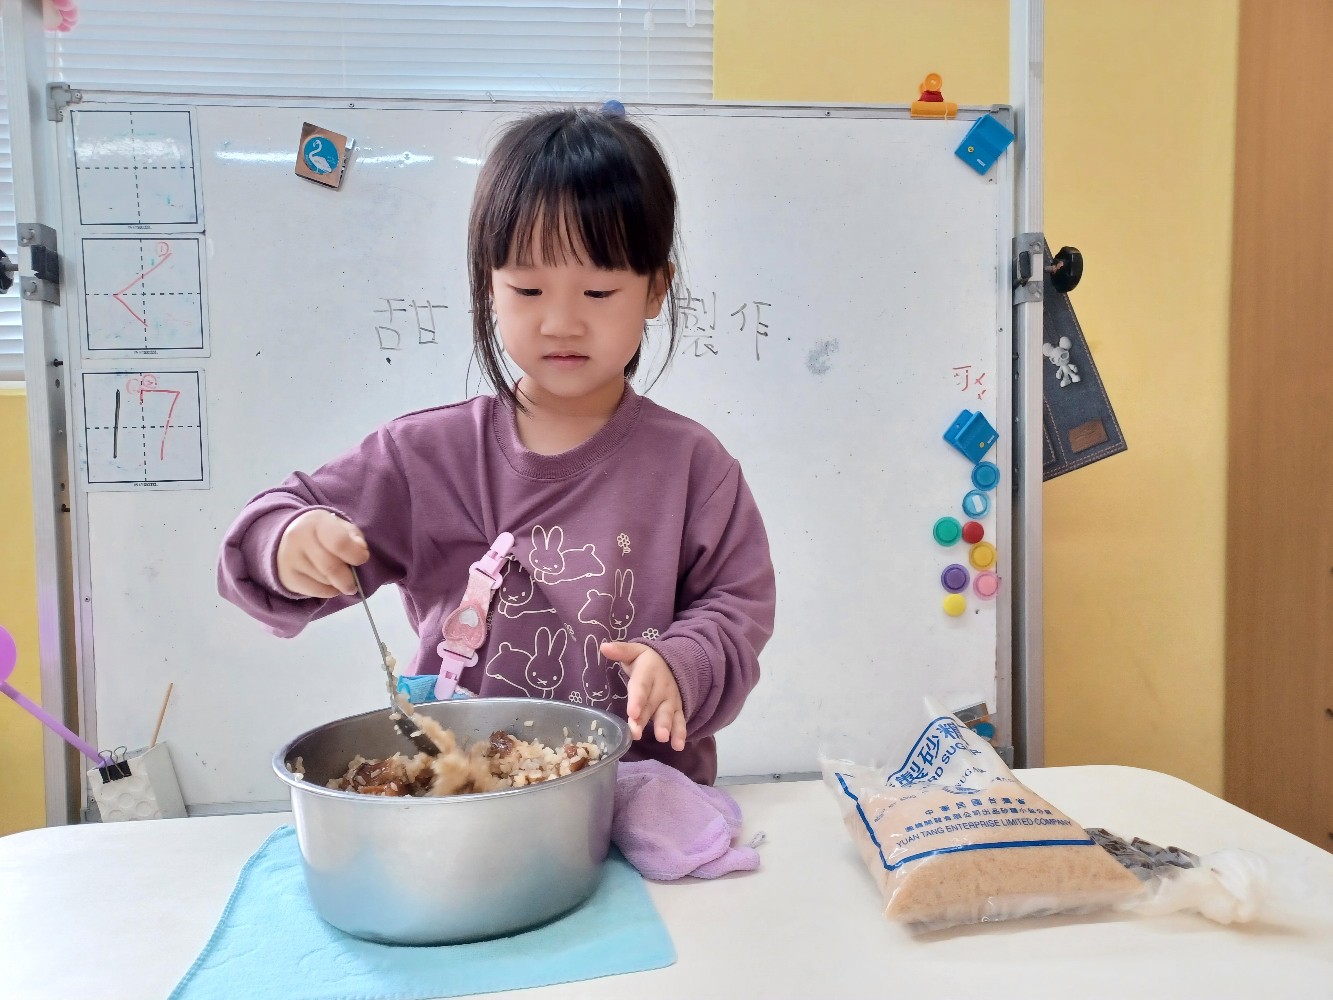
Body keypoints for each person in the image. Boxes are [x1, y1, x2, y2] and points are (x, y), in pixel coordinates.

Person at [217, 106, 776, 785]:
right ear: (490, 285)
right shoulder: (426, 455)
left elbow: (735, 607)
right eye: (528, 288)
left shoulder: (692, 467)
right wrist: (287, 542)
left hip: (632, 791)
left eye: (599, 291)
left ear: (655, 289)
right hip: (464, 798)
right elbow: (277, 520)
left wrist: (682, 664)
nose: (561, 321)